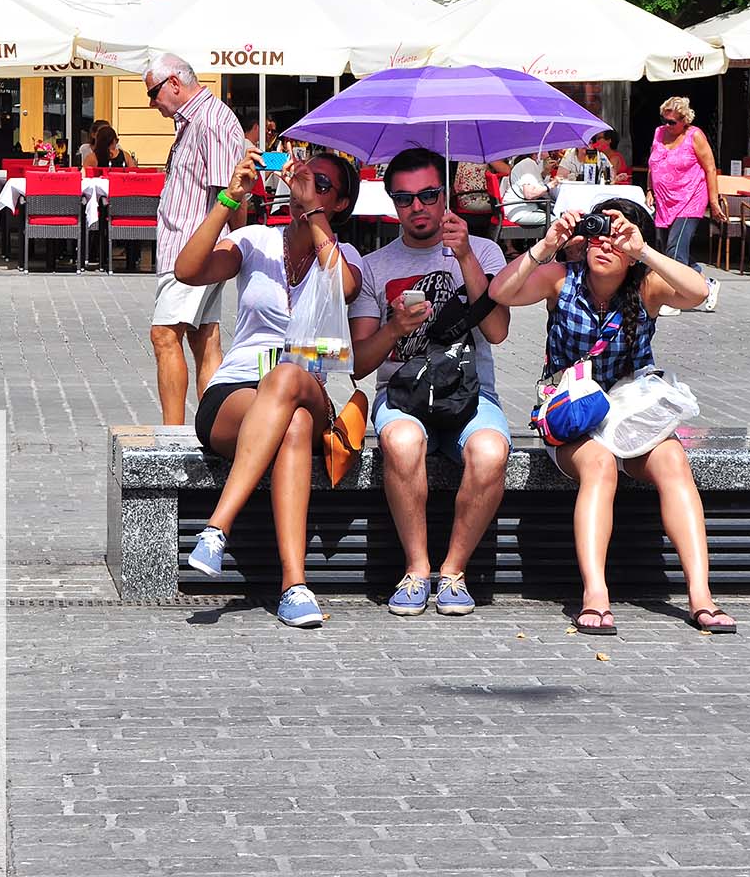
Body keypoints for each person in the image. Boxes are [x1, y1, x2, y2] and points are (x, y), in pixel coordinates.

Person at [490, 197, 736, 637]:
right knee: (600, 465)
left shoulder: (647, 287)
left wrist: (643, 250)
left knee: (674, 461)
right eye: (598, 234)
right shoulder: (562, 279)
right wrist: (547, 244)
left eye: (616, 238)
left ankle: (701, 595)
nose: (604, 245)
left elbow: (699, 293)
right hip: (572, 415)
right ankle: (595, 594)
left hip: (632, 415)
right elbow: (501, 293)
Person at [176, 152, 363, 627]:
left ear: (339, 203)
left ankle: (217, 527)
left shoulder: (344, 255)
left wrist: (313, 214)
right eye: (303, 175)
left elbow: (343, 288)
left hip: (308, 384)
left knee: (286, 378)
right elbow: (188, 270)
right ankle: (294, 586)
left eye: (322, 184)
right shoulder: (255, 240)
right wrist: (228, 199)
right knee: (292, 425)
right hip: (238, 391)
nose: (306, 185)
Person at [350, 147, 511, 618]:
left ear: (446, 195)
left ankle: (453, 571)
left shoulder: (484, 251)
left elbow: (497, 331)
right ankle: (417, 569)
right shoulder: (374, 266)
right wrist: (395, 329)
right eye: (404, 199)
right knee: (401, 442)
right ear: (392, 203)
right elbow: (359, 363)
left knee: (490, 451)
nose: (417, 207)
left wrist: (465, 257)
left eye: (427, 195)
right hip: (402, 393)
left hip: (470, 393)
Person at [144, 53, 245, 426]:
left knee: (164, 335)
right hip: (191, 248)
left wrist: (235, 246)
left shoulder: (210, 121)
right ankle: (214, 427)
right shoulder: (195, 120)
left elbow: (231, 194)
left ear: (174, 82)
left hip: (195, 251)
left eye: (153, 93)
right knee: (204, 337)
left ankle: (173, 436)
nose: (151, 103)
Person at [647, 97, 723, 313]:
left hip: (691, 198)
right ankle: (705, 284)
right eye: (664, 120)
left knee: (675, 249)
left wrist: (714, 201)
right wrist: (650, 189)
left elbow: (710, 168)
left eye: (672, 122)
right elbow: (653, 163)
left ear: (685, 120)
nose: (667, 125)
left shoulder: (695, 136)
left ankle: (674, 300)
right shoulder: (659, 133)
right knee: (669, 249)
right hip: (665, 201)